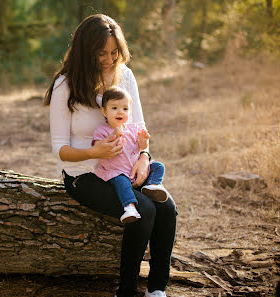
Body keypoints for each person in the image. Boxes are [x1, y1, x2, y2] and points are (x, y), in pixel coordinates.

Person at [44, 14, 177, 297]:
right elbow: (59, 148)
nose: (108, 59)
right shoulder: (65, 85)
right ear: (85, 50)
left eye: (114, 52)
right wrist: (95, 151)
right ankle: (126, 290)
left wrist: (143, 156)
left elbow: (139, 127)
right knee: (145, 209)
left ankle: (157, 290)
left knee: (167, 208)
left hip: (125, 166)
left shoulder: (125, 75)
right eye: (101, 53)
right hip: (84, 175)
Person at [93, 86, 171, 224]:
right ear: (104, 111)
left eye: (125, 109)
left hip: (135, 170)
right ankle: (129, 208)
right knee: (121, 183)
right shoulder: (102, 131)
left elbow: (141, 149)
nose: (120, 112)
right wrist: (113, 136)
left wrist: (143, 142)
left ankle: (152, 186)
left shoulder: (133, 128)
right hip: (117, 171)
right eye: (114, 108)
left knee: (159, 166)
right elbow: (97, 148)